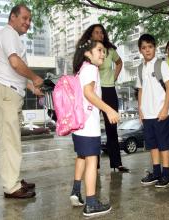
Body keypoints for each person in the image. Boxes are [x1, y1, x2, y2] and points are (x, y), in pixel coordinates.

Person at [0, 4, 43, 199]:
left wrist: (32, 87)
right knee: (10, 142)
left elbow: (14, 73)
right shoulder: (8, 33)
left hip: (8, 92)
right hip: (5, 93)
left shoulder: (12, 37)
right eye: (24, 18)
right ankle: (11, 186)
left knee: (12, 140)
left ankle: (15, 180)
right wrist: (35, 78)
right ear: (12, 17)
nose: (28, 23)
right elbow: (15, 63)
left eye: (30, 20)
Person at [69, 38, 120, 217]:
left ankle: (76, 191)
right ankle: (90, 203)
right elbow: (88, 93)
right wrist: (109, 110)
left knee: (82, 156)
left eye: (104, 51)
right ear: (87, 53)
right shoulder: (90, 69)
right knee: (92, 160)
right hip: (88, 126)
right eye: (99, 50)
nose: (103, 53)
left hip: (79, 125)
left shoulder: (81, 70)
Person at [80, 24, 129, 172]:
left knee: (111, 128)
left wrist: (114, 77)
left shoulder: (110, 50)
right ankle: (95, 164)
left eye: (102, 32)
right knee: (93, 127)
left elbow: (120, 62)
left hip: (109, 90)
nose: (100, 35)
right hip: (93, 91)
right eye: (96, 32)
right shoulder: (87, 51)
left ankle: (116, 163)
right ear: (90, 35)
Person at [136, 34, 169, 188]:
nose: (147, 50)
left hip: (161, 113)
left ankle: (166, 175)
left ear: (155, 47)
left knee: (164, 145)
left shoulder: (161, 65)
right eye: (144, 48)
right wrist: (140, 110)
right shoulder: (140, 68)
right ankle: (156, 172)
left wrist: (165, 108)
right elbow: (140, 91)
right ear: (140, 50)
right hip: (147, 114)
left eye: (150, 47)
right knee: (153, 145)